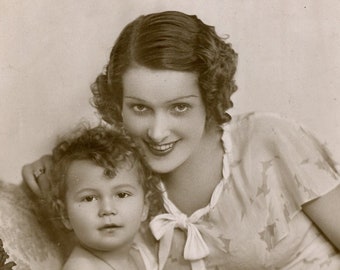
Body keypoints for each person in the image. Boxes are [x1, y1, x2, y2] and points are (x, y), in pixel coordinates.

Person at [22, 10, 340, 270]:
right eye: (140, 108)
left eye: (179, 107)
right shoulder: (120, 181)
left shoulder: (270, 140)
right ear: (118, 105)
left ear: (209, 99)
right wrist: (59, 173)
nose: (158, 132)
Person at [46, 125, 160, 270]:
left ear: (145, 206)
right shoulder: (82, 268)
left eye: (121, 195)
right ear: (65, 215)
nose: (107, 209)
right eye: (89, 198)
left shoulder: (141, 253)